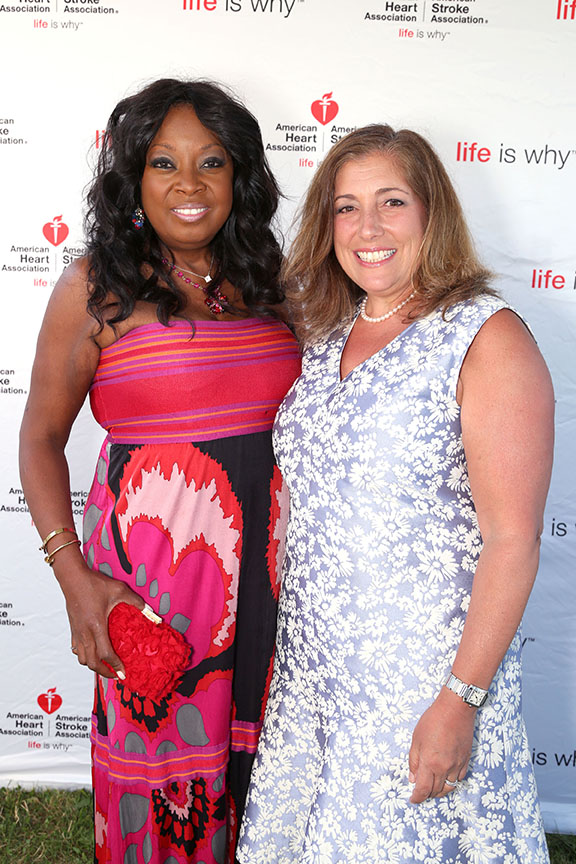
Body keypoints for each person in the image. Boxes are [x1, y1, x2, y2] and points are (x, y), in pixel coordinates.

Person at [237, 124, 553, 863]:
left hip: (420, 682)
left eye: (392, 202)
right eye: (346, 208)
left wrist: (458, 701)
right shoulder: (327, 334)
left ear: (432, 213)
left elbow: (512, 542)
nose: (368, 228)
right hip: (316, 674)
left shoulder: (486, 338)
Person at [19, 78, 301, 864]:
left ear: (239, 176)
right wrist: (74, 579)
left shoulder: (273, 282)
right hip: (159, 588)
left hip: (277, 582)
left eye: (211, 162)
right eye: (164, 163)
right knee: (166, 780)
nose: (189, 184)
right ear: (134, 178)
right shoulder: (95, 287)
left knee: (272, 770)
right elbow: (40, 437)